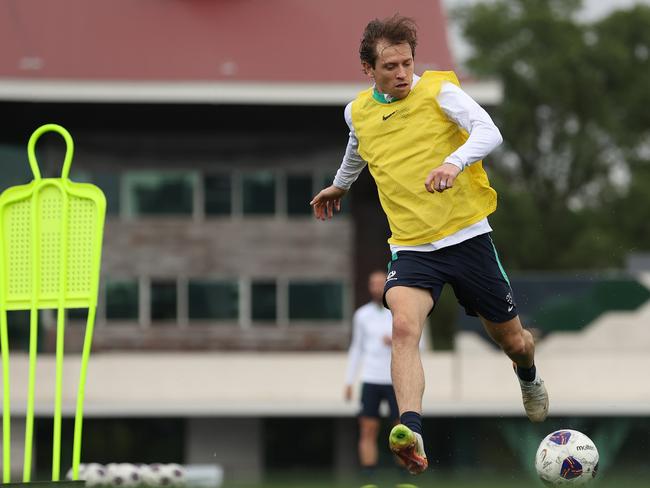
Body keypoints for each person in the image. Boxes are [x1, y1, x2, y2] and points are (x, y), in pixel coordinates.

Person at [311, 14, 549, 476]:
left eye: (407, 63)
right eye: (390, 67)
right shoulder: (357, 110)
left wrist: (453, 163)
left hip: (467, 238)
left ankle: (529, 374)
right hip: (412, 247)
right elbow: (359, 146)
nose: (402, 74)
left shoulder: (439, 91)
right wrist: (340, 185)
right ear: (368, 69)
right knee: (403, 328)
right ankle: (411, 432)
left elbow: (489, 131)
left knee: (514, 341)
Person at [344, 270, 425, 485]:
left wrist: (397, 340)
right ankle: (369, 479)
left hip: (395, 380)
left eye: (381, 283)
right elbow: (356, 349)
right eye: (374, 284)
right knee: (368, 429)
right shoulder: (361, 315)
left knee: (402, 431)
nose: (378, 288)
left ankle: (403, 479)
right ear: (369, 287)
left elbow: (420, 345)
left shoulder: (402, 310)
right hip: (371, 378)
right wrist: (349, 380)